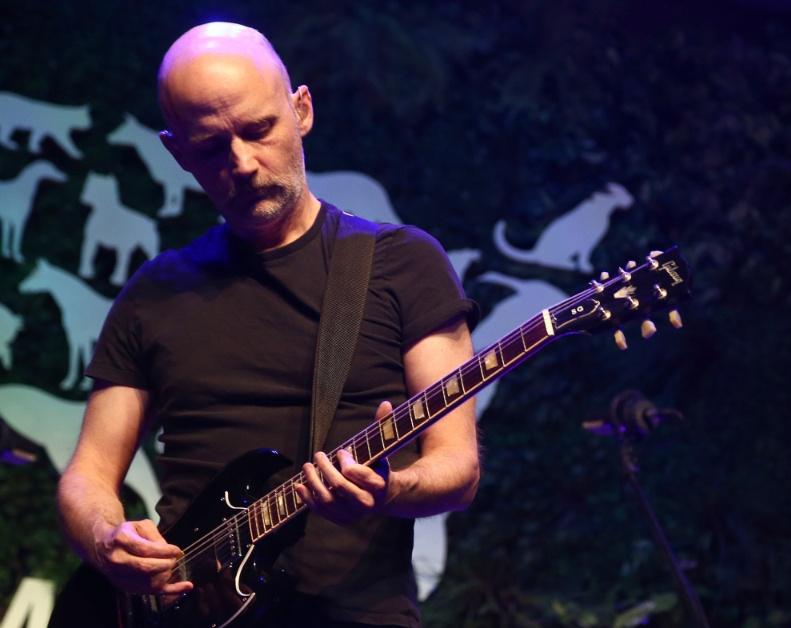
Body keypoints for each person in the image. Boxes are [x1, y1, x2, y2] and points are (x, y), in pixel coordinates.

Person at [55, 22, 480, 627]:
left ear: (300, 110)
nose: (243, 163)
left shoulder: (402, 263)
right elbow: (87, 475)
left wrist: (389, 491)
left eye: (259, 130)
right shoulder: (156, 290)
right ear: (177, 153)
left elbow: (456, 468)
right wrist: (107, 541)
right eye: (210, 147)